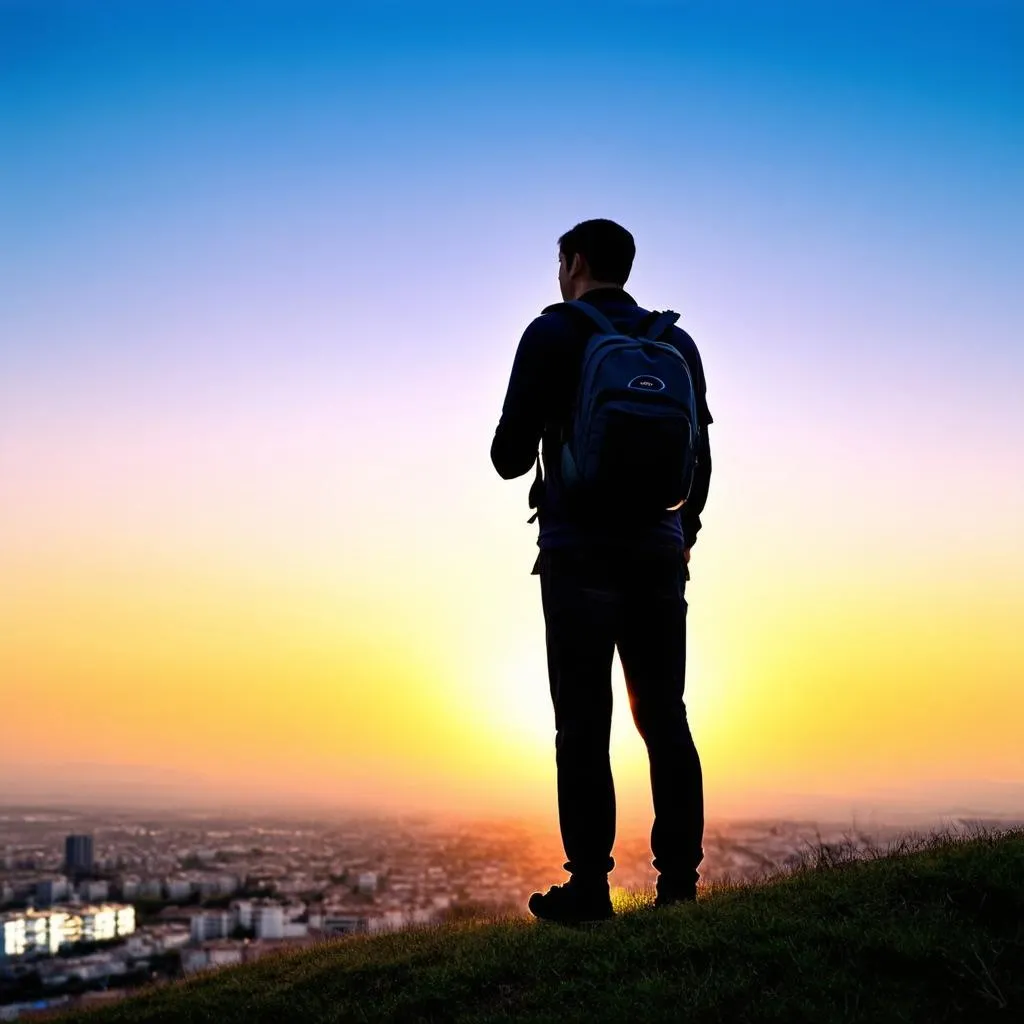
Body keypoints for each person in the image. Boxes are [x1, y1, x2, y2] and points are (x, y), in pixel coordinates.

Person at [490, 218, 713, 924]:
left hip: (577, 553)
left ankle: (589, 887)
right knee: (665, 717)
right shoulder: (675, 342)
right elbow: (699, 464)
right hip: (657, 553)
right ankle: (678, 883)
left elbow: (508, 458)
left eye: (559, 262)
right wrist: (684, 537)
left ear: (575, 261)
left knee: (583, 724)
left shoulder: (552, 333)